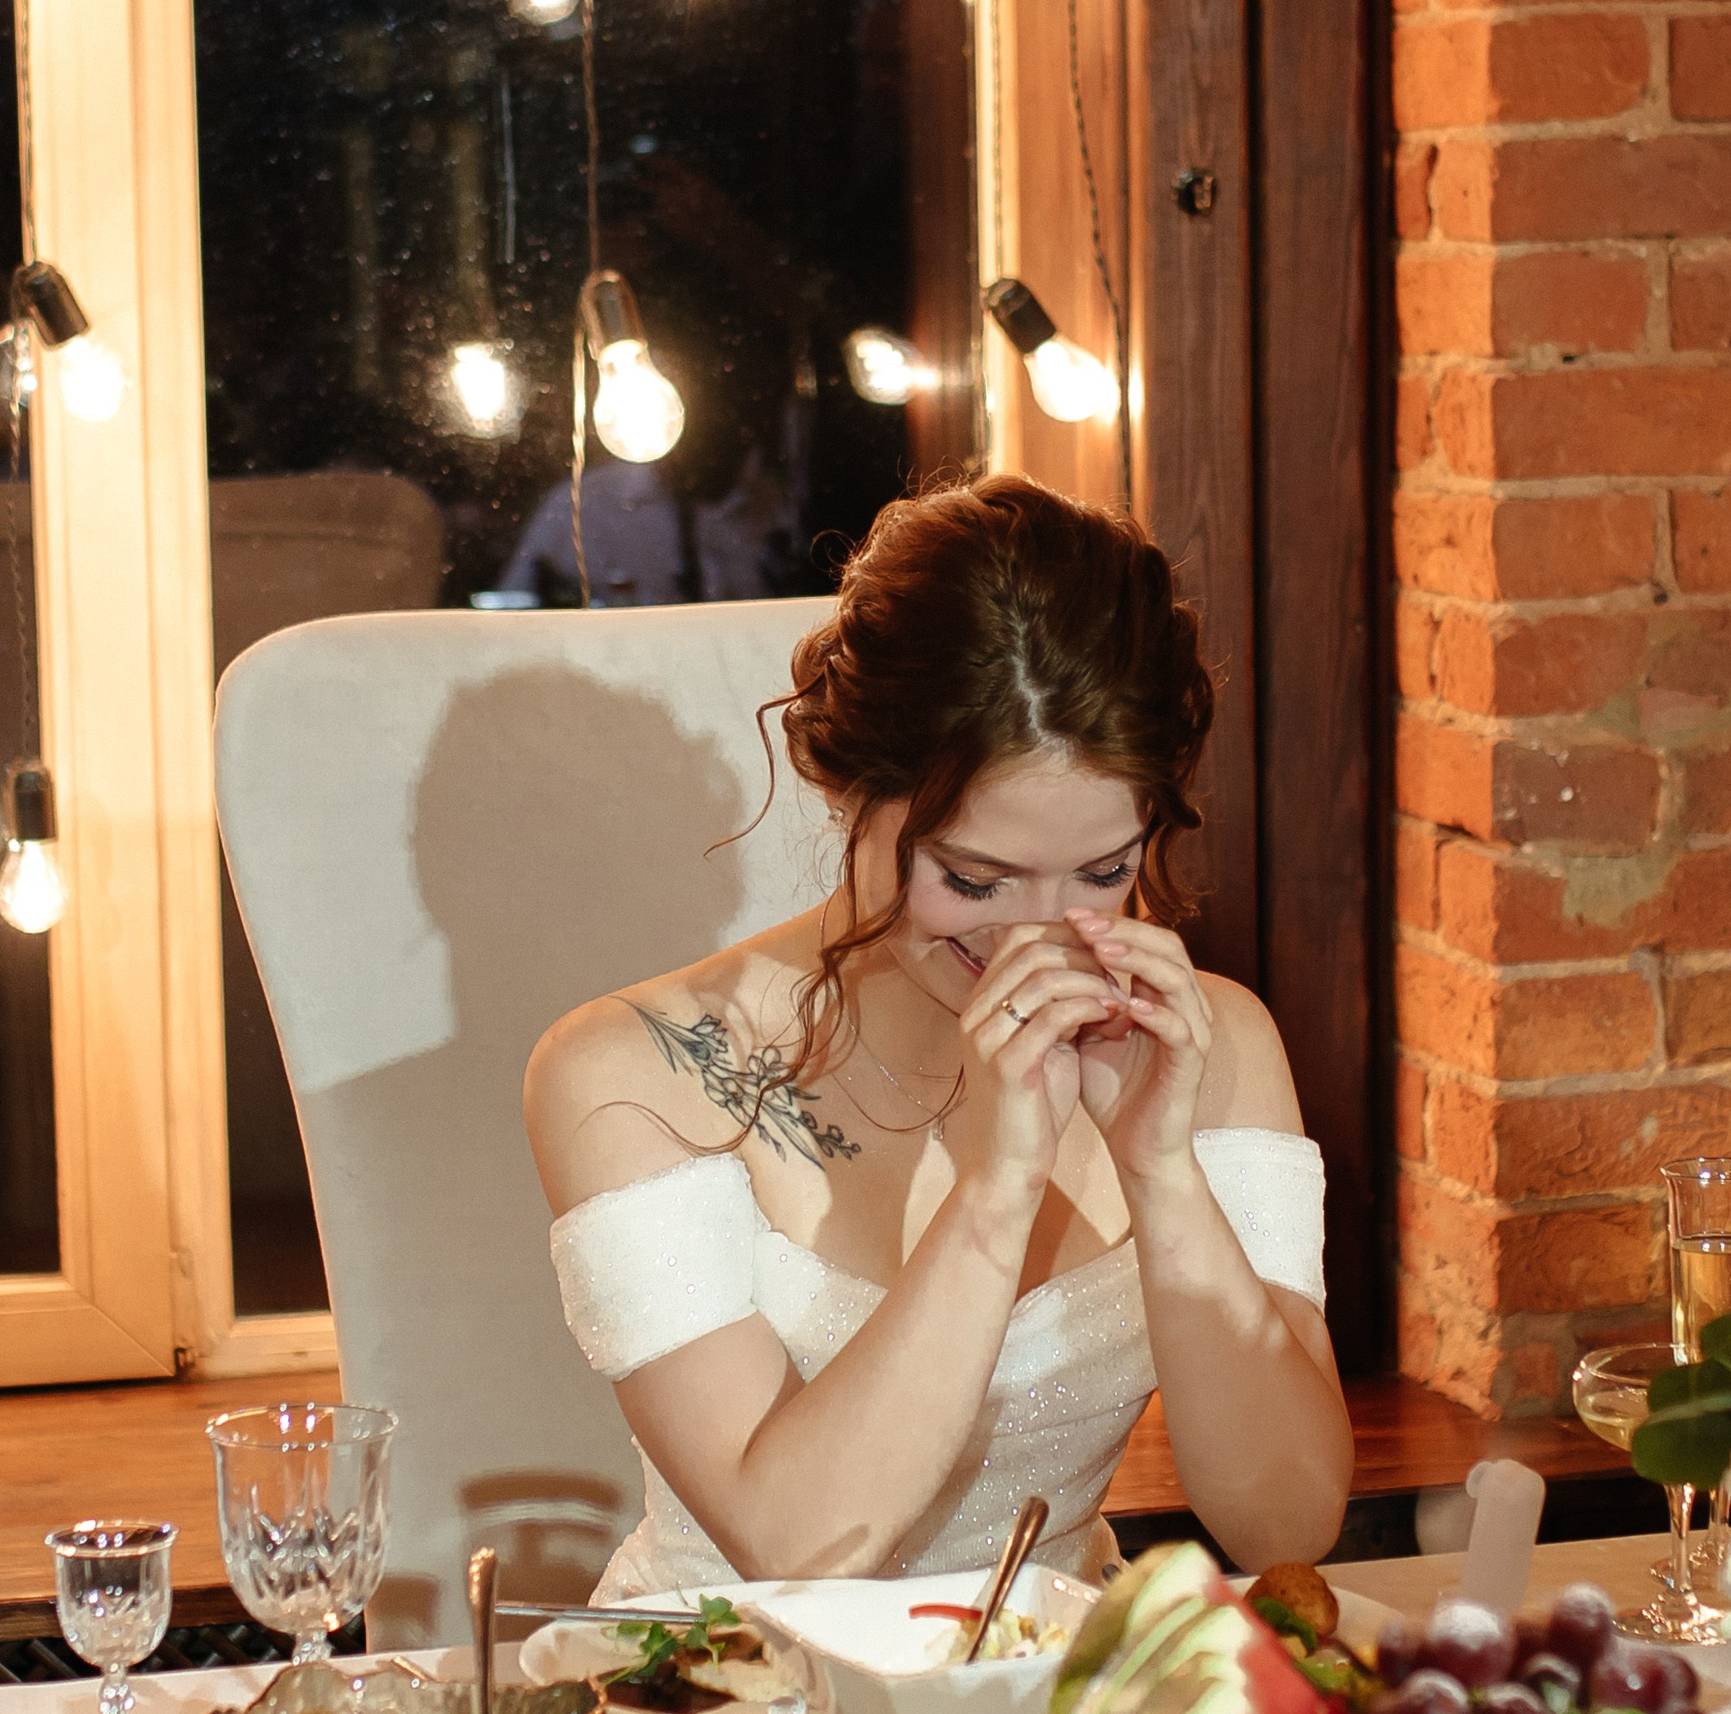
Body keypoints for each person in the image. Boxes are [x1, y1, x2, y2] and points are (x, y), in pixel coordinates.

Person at [526, 473, 1351, 1594]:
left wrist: (1162, 1174)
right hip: (729, 1685)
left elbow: (1284, 1522)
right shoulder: (629, 1075)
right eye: (973, 878)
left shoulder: (1211, 1044)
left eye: (1103, 871)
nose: (1037, 936)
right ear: (843, 789)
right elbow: (792, 1545)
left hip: (1052, 1680)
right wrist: (995, 1193)